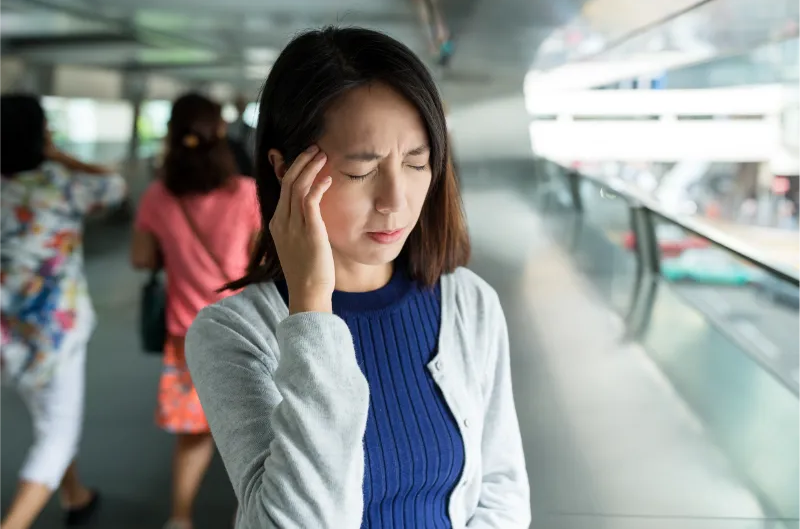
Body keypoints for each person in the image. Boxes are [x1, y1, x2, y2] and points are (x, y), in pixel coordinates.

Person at [185, 26, 530, 528]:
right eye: (360, 171)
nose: (396, 201)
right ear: (284, 170)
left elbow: (501, 488)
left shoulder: (469, 304)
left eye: (417, 162)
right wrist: (310, 310)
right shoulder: (233, 333)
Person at [130, 92, 260, 529]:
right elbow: (264, 257)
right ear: (220, 134)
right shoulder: (247, 194)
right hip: (246, 328)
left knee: (195, 433)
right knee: (256, 428)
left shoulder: (157, 197)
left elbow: (142, 258)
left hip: (188, 332)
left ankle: (180, 518)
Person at [0, 94, 126, 529]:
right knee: (57, 433)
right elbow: (115, 186)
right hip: (55, 331)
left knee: (48, 416)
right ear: (40, 135)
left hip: (5, 331)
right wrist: (57, 154)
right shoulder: (60, 182)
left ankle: (75, 496)